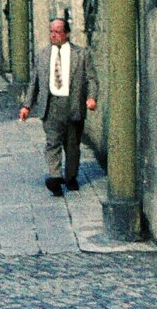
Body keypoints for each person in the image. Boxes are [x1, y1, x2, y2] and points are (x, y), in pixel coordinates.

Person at [19, 17, 98, 196]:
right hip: (51, 105)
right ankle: (55, 177)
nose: (53, 35)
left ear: (67, 34)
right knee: (52, 143)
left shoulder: (81, 54)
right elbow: (34, 82)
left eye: (57, 32)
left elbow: (91, 78)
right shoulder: (43, 55)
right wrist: (26, 106)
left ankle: (71, 177)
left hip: (73, 104)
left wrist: (91, 97)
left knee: (72, 146)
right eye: (51, 32)